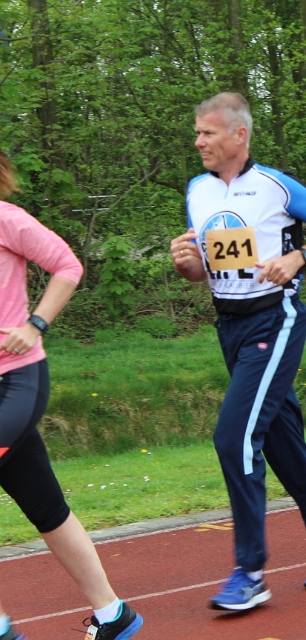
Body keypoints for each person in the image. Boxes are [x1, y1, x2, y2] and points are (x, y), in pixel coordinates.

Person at [170, 93, 306, 611]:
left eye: (207, 133)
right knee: (281, 442)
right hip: (229, 325)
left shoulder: (275, 186)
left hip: (274, 319)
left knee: (234, 436)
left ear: (239, 135)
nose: (198, 142)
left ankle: (250, 571)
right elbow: (202, 271)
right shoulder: (197, 190)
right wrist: (186, 263)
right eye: (197, 133)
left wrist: (298, 257)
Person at [0, 150, 143, 639]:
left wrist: (35, 324)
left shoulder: (8, 219)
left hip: (15, 382)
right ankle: (113, 614)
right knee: (45, 506)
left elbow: (66, 265)